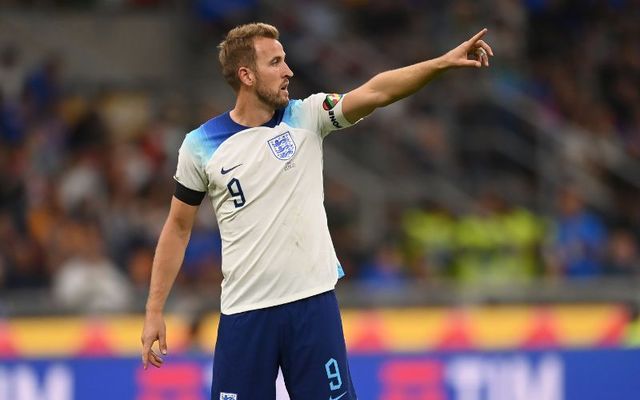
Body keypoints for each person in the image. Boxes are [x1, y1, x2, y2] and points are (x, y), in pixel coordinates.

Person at [141, 22, 493, 400]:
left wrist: (441, 63)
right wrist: (154, 310)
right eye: (275, 62)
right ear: (246, 75)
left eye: (286, 61)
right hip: (245, 314)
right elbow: (178, 228)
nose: (288, 71)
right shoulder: (200, 145)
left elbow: (376, 91)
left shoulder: (308, 116)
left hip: (312, 307)